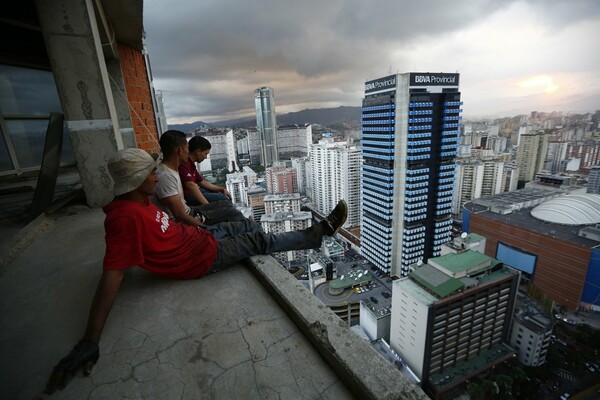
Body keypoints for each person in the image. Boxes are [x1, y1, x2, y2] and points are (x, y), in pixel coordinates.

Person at [44, 148, 348, 394]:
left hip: (200, 238)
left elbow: (166, 229)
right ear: (136, 181)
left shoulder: (140, 201)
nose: (156, 177)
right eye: (151, 173)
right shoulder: (124, 219)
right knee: (258, 238)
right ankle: (317, 233)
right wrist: (90, 340)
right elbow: (113, 274)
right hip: (202, 258)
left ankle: (276, 241)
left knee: (239, 224)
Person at [151, 130, 245, 227]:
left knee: (228, 207)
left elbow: (201, 182)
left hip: (190, 211)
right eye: (187, 148)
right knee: (232, 212)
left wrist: (220, 189)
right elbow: (180, 215)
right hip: (191, 216)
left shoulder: (173, 169)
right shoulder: (165, 176)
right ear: (180, 151)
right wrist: (204, 227)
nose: (188, 151)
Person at [180, 136, 231, 205]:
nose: (206, 157)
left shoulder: (191, 165)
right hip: (187, 197)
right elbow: (190, 185)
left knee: (216, 192)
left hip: (191, 194)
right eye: (205, 154)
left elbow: (202, 182)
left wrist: (221, 189)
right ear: (198, 152)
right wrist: (207, 205)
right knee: (223, 198)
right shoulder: (184, 163)